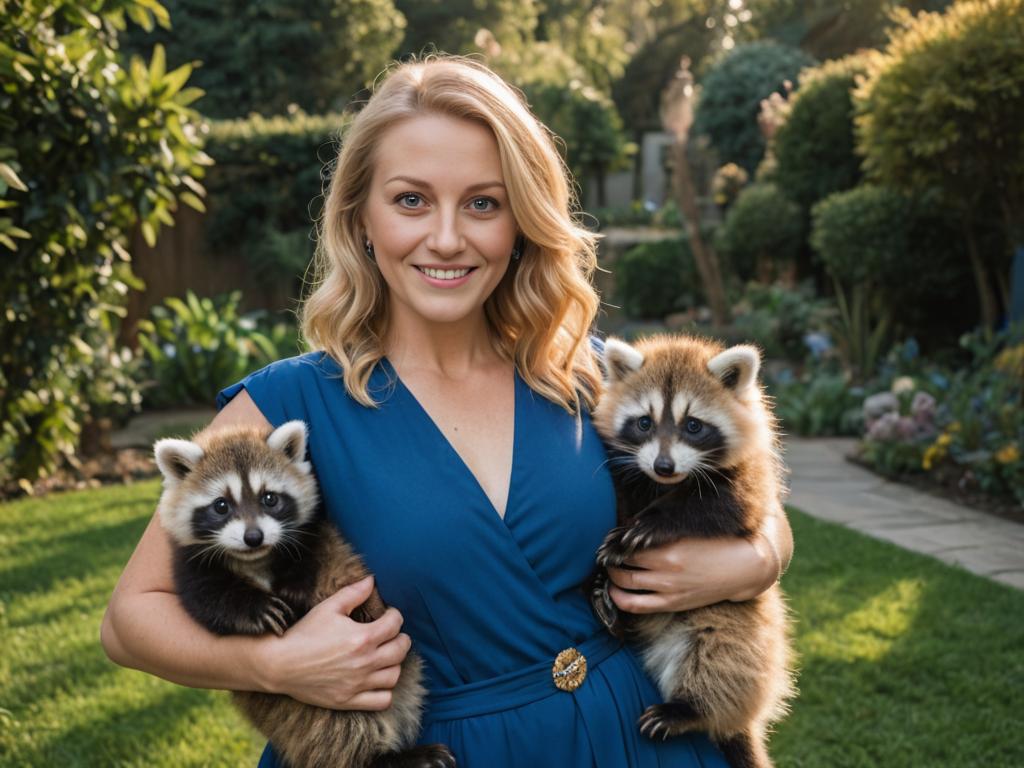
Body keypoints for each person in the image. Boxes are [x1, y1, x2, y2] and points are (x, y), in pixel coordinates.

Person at [101, 54, 793, 767]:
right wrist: (273, 667)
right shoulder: (286, 408)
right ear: (360, 217)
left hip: (638, 735)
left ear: (521, 221)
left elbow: (756, 496)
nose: (447, 237)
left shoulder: (584, 371)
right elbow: (129, 621)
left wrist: (756, 561)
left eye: (483, 203)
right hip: (436, 747)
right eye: (411, 200)